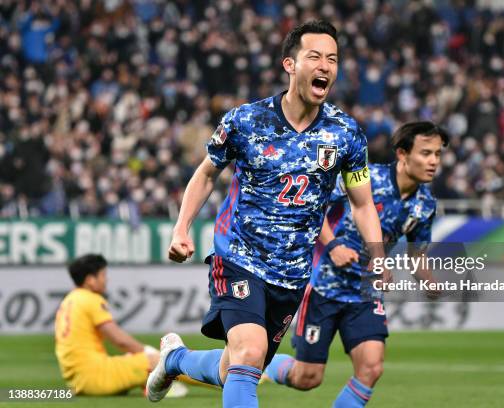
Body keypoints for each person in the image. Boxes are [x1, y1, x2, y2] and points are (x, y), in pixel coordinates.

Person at [145, 20, 386, 407]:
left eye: (333, 59)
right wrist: (181, 228)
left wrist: (376, 256)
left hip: (292, 275)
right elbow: (206, 174)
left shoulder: (345, 134)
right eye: (315, 57)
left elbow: (361, 203)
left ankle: (175, 359)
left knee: (237, 369)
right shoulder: (246, 121)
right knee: (248, 353)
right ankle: (180, 359)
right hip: (239, 256)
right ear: (290, 64)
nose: (325, 66)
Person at [263, 121, 448, 407]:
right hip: (325, 287)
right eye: (426, 153)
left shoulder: (425, 205)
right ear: (402, 154)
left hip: (365, 292)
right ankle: (260, 363)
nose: (434, 161)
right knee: (307, 378)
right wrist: (333, 245)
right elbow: (313, 207)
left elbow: (416, 255)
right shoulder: (366, 178)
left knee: (372, 368)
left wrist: (430, 282)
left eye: (437, 154)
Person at [54, 253, 188, 397]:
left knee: (130, 358)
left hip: (77, 381)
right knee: (162, 359)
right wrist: (147, 351)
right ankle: (212, 378)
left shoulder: (68, 301)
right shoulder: (90, 299)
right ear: (90, 280)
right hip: (95, 377)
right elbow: (120, 340)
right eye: (103, 275)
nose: (106, 280)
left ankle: (152, 385)